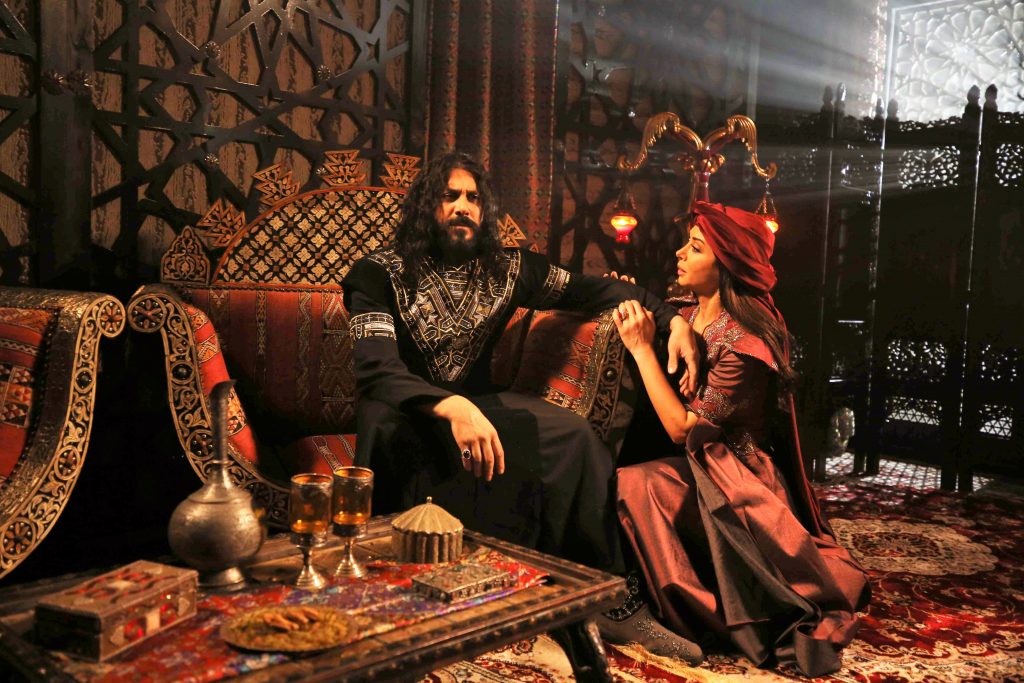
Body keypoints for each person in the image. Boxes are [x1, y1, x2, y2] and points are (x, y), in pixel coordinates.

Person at [341, 151, 698, 574]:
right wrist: (453, 407)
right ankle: (385, 571)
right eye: (449, 196)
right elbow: (377, 370)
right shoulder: (377, 273)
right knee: (381, 424)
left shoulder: (510, 269)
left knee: (575, 436)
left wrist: (672, 320)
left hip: (480, 406)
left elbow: (597, 291)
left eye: (473, 198)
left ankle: (592, 584)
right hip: (404, 410)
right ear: (425, 205)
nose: (462, 206)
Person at [599, 202, 870, 675]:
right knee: (600, 460)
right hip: (688, 461)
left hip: (731, 476)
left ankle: (677, 610)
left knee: (637, 483)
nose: (680, 253)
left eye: (695, 248)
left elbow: (684, 429)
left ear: (726, 264)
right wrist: (630, 301)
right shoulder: (683, 312)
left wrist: (642, 349)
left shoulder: (747, 342)